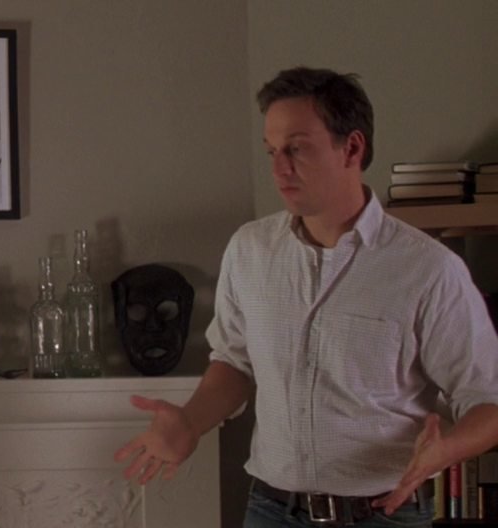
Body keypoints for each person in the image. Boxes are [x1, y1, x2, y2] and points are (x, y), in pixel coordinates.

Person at [114, 67, 498, 527]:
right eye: (272, 151)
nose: (279, 168)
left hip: (382, 514)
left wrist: (448, 448)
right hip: (271, 509)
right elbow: (235, 362)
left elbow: (488, 399)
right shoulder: (249, 250)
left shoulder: (428, 269)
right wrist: (191, 422)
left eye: (296, 148)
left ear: (351, 148)